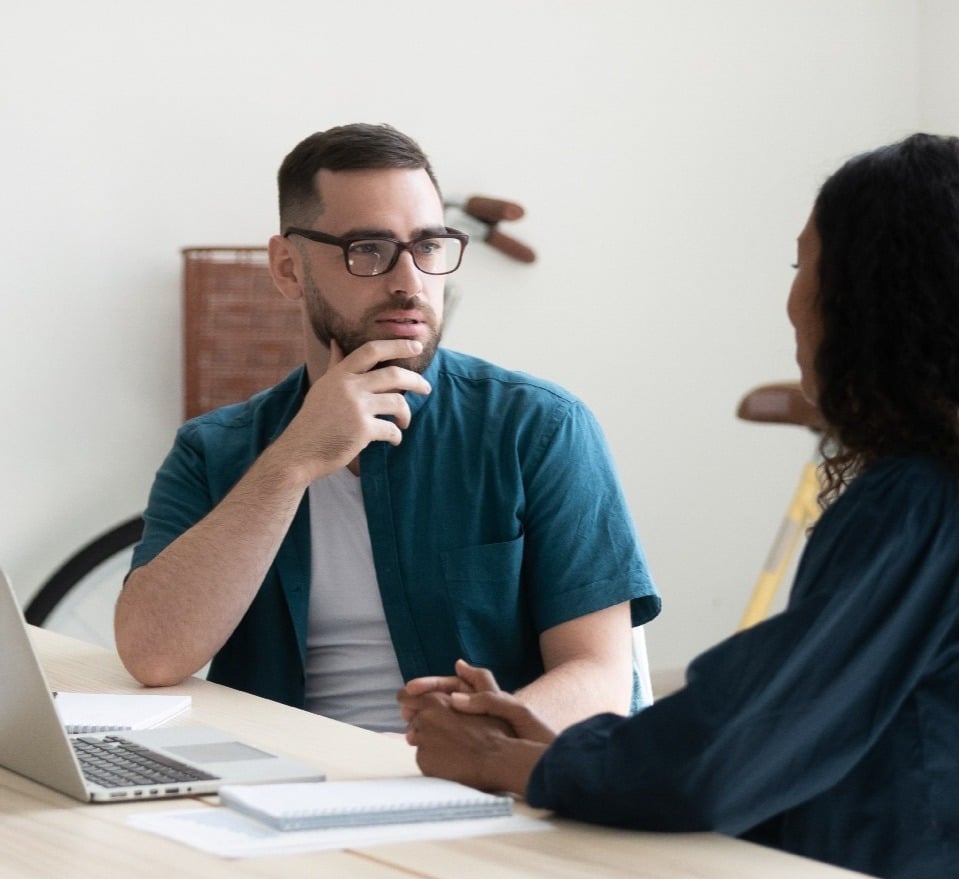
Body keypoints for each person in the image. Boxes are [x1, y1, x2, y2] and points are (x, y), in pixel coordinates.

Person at [406, 132, 959, 879]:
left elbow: (730, 752)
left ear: (871, 300)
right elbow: (778, 722)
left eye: (803, 264)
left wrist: (508, 763)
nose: (792, 304)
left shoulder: (919, 503)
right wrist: (568, 748)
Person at [114, 123, 659, 734]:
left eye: (428, 247)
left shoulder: (538, 428)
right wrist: (291, 462)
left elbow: (600, 680)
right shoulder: (215, 450)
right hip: (274, 788)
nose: (410, 283)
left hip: (474, 786)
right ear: (289, 269)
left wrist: (464, 748)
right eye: (368, 250)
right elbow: (152, 655)